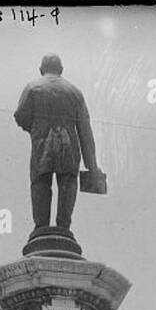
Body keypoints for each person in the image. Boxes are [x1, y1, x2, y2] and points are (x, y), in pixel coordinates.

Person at [14, 54, 101, 234]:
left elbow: (20, 115)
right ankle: (63, 228)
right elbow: (85, 131)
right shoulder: (75, 92)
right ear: (61, 70)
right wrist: (92, 167)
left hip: (41, 145)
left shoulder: (32, 87)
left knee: (40, 183)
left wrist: (35, 128)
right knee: (68, 184)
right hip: (68, 147)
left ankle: (41, 227)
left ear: (41, 70)